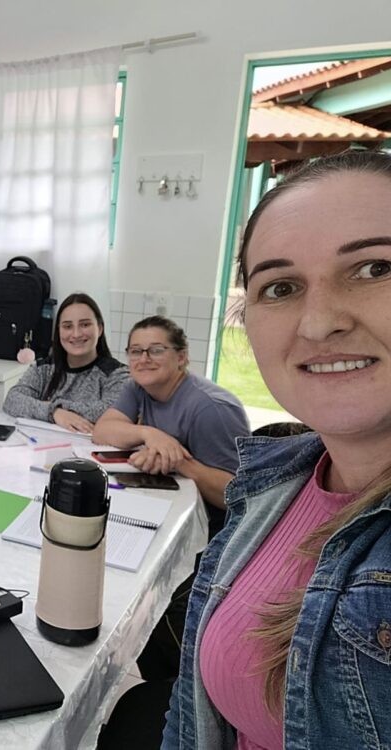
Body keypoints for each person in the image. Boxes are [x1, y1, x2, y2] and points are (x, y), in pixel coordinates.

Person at [163, 150, 391, 749]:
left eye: (374, 269)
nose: (317, 323)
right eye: (281, 287)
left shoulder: (209, 410)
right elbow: (193, 712)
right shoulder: (275, 482)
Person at [93, 315, 250, 687]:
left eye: (156, 350)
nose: (143, 358)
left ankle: (184, 689)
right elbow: (104, 429)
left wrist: (179, 460)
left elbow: (239, 496)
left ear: (182, 357)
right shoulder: (140, 388)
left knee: (148, 604)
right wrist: (150, 434)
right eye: (135, 351)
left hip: (215, 540)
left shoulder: (209, 410)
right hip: (167, 514)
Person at [3, 292, 128, 431]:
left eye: (85, 324)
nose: (76, 334)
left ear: (99, 329)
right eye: (68, 326)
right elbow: (12, 400)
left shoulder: (118, 374)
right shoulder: (43, 369)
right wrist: (54, 412)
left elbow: (114, 412)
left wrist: (55, 407)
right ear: (59, 331)